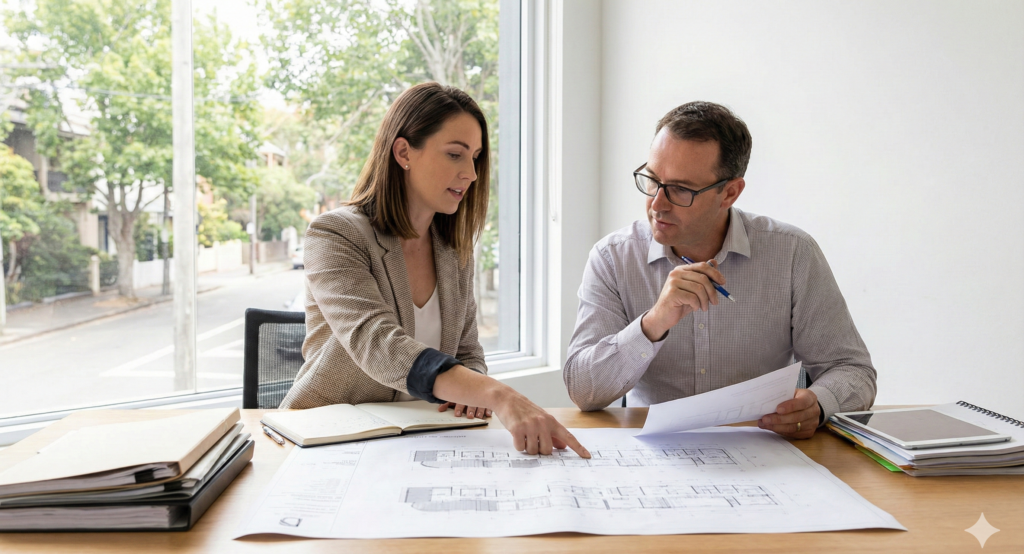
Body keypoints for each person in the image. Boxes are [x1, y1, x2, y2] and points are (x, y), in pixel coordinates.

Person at [280, 83, 589, 458]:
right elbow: (376, 344)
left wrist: (472, 388)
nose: (472, 174)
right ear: (404, 152)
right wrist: (495, 393)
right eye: (455, 155)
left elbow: (468, 351)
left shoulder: (453, 250)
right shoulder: (335, 234)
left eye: (475, 157)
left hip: (424, 439)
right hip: (330, 438)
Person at [564, 101, 876, 438]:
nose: (657, 203)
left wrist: (818, 403)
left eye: (681, 189)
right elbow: (583, 391)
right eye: (653, 180)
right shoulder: (613, 257)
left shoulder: (792, 253)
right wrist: (654, 323)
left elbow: (853, 370)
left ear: (730, 192)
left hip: (763, 451)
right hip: (653, 454)